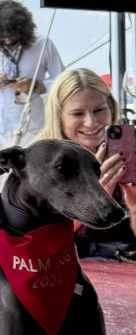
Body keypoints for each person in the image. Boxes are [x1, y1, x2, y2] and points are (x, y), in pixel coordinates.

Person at [41, 67, 136, 259]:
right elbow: (39, 242)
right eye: (77, 114)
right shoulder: (39, 164)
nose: (91, 122)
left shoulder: (129, 156)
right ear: (59, 117)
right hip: (68, 270)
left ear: (111, 108)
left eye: (99, 110)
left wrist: (134, 207)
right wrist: (94, 200)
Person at [0, 0, 63, 193]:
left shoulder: (42, 44)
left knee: (32, 189)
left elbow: (62, 81)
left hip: (31, 130)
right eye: (1, 39)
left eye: (11, 38)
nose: (6, 42)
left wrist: (36, 85)